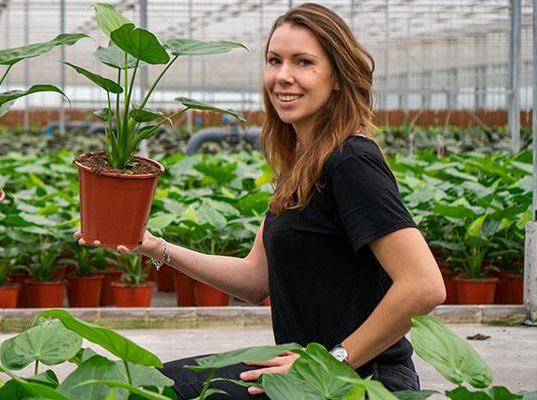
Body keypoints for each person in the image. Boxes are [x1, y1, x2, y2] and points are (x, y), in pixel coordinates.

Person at [77, 3, 445, 398]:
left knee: (139, 390)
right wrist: (152, 246)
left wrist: (331, 360)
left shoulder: (351, 160)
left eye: (303, 62)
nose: (283, 76)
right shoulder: (304, 165)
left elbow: (424, 286)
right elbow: (254, 279)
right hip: (303, 371)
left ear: (338, 77)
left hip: (358, 382)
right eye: (274, 61)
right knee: (144, 383)